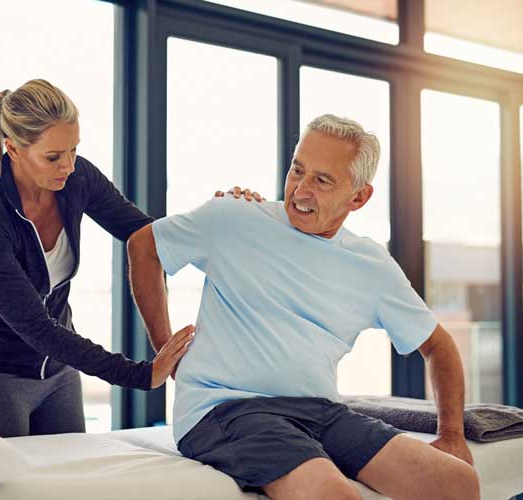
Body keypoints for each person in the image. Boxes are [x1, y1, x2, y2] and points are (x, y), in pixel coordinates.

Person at [127, 114, 481, 500]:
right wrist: (166, 351)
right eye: (298, 170)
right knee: (336, 496)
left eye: (322, 180)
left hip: (321, 413)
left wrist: (451, 435)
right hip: (225, 409)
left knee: (457, 482)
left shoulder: (371, 265)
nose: (300, 190)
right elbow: (144, 246)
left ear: (359, 197)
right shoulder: (234, 217)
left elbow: (438, 346)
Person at [0, 79, 261, 438]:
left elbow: (146, 235)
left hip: (58, 373)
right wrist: (140, 374)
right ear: (13, 149)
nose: (68, 165)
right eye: (53, 157)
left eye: (73, 150)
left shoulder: (76, 177)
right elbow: (35, 327)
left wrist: (220, 217)